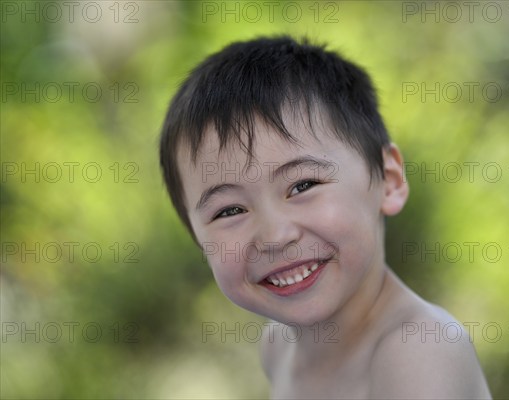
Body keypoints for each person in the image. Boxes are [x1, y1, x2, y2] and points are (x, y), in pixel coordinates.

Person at [159, 35, 491, 399]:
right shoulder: (278, 346)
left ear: (388, 181)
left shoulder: (418, 349)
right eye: (230, 210)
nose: (275, 235)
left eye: (302, 186)